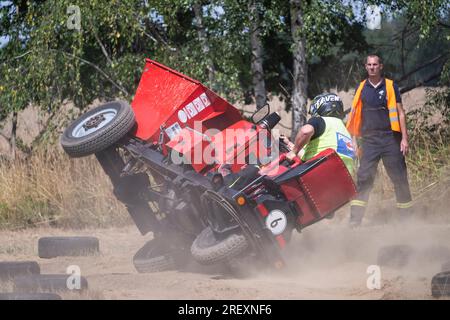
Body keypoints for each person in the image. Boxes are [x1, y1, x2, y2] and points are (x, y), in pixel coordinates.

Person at [346, 54, 412, 227]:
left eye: (375, 64)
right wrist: (353, 140)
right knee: (363, 178)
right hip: (369, 140)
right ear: (366, 67)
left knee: (399, 178)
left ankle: (406, 220)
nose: (372, 67)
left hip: (391, 138)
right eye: (369, 64)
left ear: (381, 66)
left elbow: (401, 113)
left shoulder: (390, 86)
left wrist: (404, 139)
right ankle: (355, 221)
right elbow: (354, 115)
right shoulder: (361, 88)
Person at [285, 92, 355, 175]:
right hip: (346, 176)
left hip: (322, 171)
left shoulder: (320, 120)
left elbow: (305, 131)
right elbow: (313, 153)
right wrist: (289, 144)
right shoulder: (344, 129)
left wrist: (293, 152)